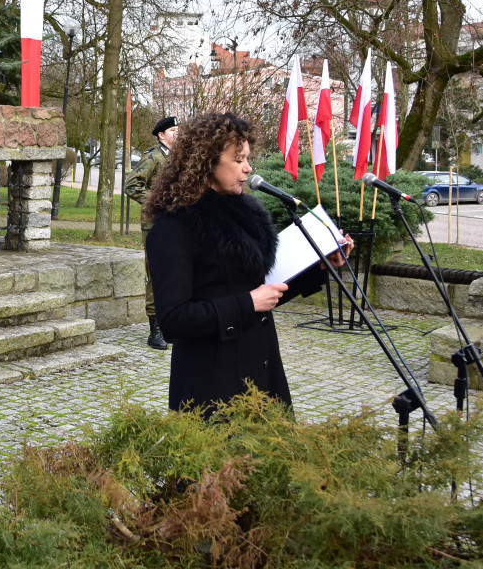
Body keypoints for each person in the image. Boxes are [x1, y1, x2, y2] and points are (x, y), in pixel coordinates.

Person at [144, 112, 352, 415]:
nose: (248, 168)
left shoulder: (245, 215)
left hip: (262, 371)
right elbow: (174, 319)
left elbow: (265, 291)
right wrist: (247, 303)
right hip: (213, 384)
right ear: (207, 161)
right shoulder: (173, 228)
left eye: (248, 158)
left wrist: (321, 265)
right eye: (238, 159)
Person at [123, 116, 179, 350]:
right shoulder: (153, 156)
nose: (177, 133)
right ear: (161, 135)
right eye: (173, 130)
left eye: (179, 129)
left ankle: (168, 327)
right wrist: (157, 203)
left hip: (176, 224)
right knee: (156, 275)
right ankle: (154, 331)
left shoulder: (177, 157)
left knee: (173, 276)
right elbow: (131, 185)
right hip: (155, 225)